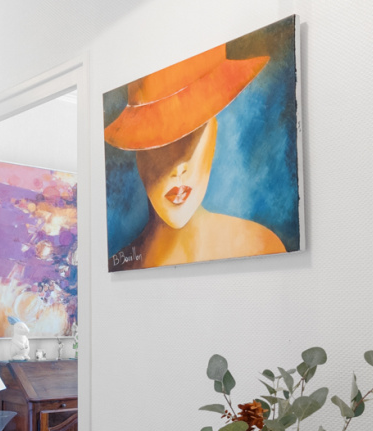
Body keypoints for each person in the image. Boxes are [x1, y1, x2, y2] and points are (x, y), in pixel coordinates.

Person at [104, 40, 287, 270]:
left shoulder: (262, 247)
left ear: (214, 136)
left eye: (192, 133)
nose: (179, 165)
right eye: (159, 141)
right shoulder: (119, 268)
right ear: (138, 153)